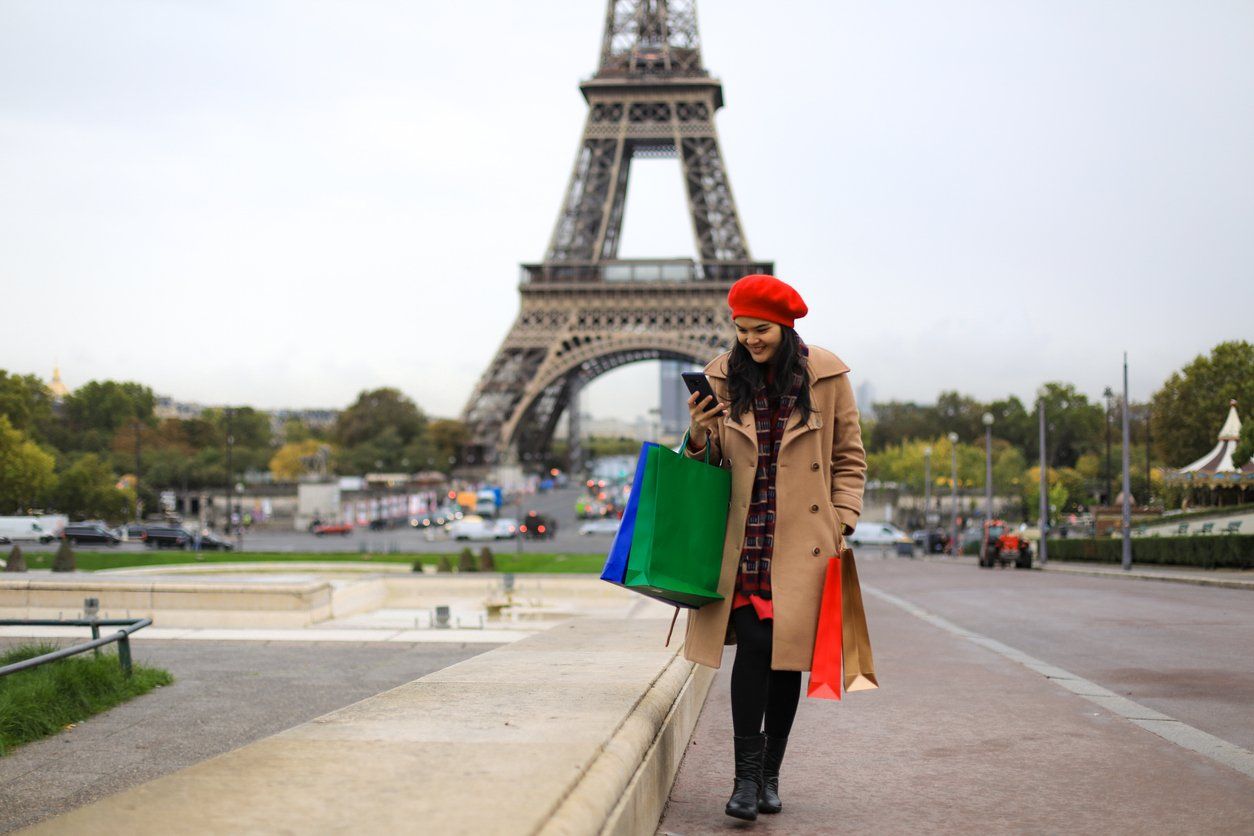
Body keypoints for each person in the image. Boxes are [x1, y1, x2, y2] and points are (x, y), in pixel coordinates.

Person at [683, 273, 867, 822]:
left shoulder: (827, 377)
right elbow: (706, 466)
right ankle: (745, 781)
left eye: (760, 330)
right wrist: (698, 433)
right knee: (757, 647)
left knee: (787, 660)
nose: (749, 340)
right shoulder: (721, 377)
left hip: (803, 543)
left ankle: (768, 776)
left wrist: (842, 520)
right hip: (745, 540)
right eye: (741, 330)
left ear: (784, 326)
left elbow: (849, 457)